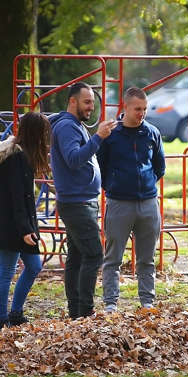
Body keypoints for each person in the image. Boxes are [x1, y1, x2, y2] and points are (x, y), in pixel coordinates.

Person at [50, 82, 117, 318]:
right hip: (76, 203)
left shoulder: (74, 125)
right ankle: (85, 311)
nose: (91, 107)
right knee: (93, 254)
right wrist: (97, 138)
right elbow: (73, 159)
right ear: (72, 101)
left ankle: (76, 312)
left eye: (93, 102)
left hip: (81, 200)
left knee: (77, 255)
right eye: (87, 102)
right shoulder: (67, 127)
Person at [97, 87, 166, 312]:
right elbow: (101, 166)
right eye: (137, 109)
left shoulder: (152, 133)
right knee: (113, 256)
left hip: (148, 202)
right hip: (119, 202)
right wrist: (114, 186)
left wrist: (147, 185)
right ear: (125, 107)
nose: (142, 113)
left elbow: (159, 166)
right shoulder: (111, 135)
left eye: (144, 109)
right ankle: (110, 303)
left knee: (147, 257)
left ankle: (147, 301)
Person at [0, 112, 51, 331]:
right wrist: (25, 230)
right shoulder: (16, 159)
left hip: (20, 224)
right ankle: (2, 320)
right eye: (43, 133)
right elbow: (16, 197)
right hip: (9, 225)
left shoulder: (23, 156)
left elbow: (24, 197)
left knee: (33, 266)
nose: (46, 137)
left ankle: (16, 313)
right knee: (7, 271)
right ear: (34, 133)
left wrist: (30, 227)